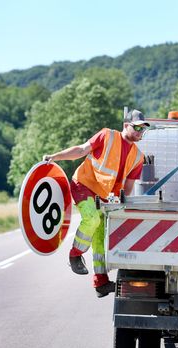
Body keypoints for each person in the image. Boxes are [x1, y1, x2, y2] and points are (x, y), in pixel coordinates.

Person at [42, 109, 148, 297]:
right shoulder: (107, 135)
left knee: (100, 238)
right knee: (92, 220)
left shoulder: (138, 157)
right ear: (126, 125)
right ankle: (75, 255)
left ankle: (101, 282)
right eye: (137, 127)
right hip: (83, 184)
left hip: (105, 198)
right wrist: (55, 156)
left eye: (143, 129)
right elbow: (81, 150)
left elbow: (128, 187)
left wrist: (120, 205)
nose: (140, 132)